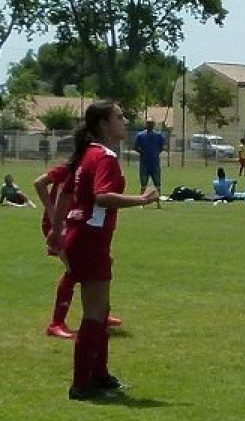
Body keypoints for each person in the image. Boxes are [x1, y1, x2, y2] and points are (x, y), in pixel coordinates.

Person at [46, 101, 159, 400]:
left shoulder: (87, 154)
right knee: (95, 312)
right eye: (119, 117)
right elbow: (102, 197)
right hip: (90, 238)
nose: (125, 121)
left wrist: (57, 232)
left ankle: (99, 375)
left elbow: (65, 193)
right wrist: (141, 199)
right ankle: (82, 385)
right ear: (104, 125)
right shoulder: (105, 156)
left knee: (101, 309)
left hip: (79, 236)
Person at [34, 164, 125, 339]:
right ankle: (56, 323)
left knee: (102, 263)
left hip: (77, 223)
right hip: (61, 225)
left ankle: (100, 315)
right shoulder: (72, 164)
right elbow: (39, 183)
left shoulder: (93, 164)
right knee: (73, 270)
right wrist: (53, 217)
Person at [133, 118, 165, 209]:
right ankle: (141, 203)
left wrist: (155, 153)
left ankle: (158, 203)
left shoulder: (158, 136)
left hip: (155, 164)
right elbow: (135, 147)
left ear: (154, 124)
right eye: (148, 123)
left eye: (151, 123)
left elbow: (162, 147)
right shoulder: (140, 135)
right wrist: (142, 152)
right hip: (144, 164)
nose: (149, 125)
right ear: (146, 124)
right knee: (143, 184)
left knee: (157, 185)